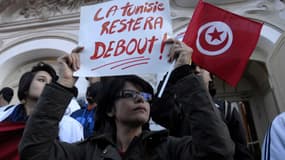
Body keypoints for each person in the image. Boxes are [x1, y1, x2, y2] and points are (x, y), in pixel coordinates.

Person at [19, 40, 234, 160]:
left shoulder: (169, 148)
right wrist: (64, 84)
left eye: (146, 96)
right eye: (130, 95)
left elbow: (218, 149)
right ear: (111, 109)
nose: (141, 100)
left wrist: (185, 75)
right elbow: (34, 151)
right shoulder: (85, 153)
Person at [151, 63, 252, 159]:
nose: (196, 69)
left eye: (202, 67)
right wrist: (171, 76)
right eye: (192, 66)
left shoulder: (226, 108)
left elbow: (241, 150)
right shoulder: (180, 107)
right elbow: (159, 111)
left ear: (210, 77)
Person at [1, 62, 83, 143]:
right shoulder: (4, 117)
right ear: (26, 86)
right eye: (41, 80)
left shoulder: (69, 125)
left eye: (51, 83)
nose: (48, 85)